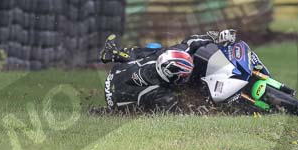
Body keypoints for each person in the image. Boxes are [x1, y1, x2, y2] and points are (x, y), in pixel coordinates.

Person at [100, 30, 237, 112]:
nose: (186, 77)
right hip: (117, 100)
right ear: (172, 77)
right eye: (183, 76)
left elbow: (191, 42)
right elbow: (180, 114)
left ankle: (113, 53)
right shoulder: (162, 94)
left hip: (117, 72)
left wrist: (217, 36)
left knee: (153, 49)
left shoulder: (164, 55)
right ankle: (115, 54)